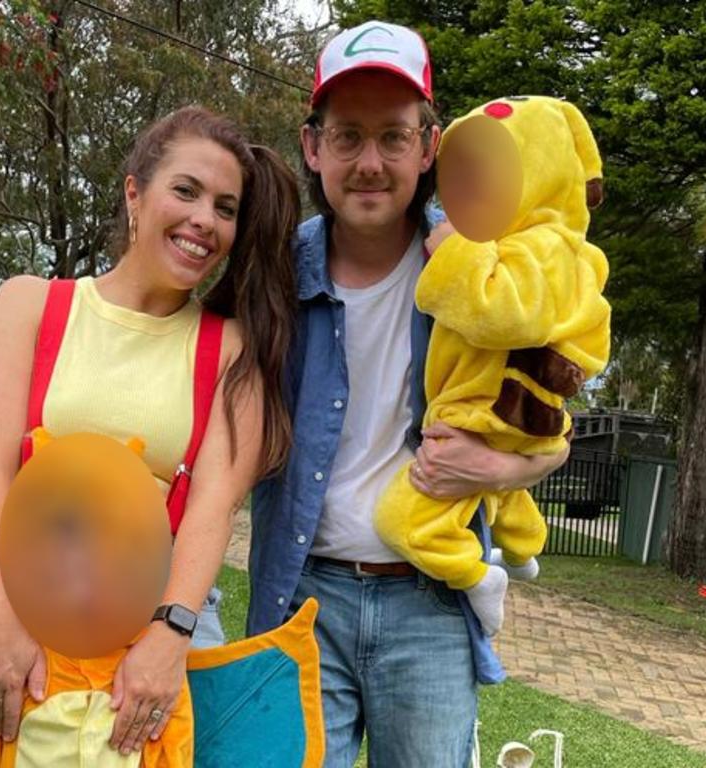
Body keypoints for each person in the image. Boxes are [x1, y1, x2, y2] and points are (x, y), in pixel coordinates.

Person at [247, 21, 569, 768]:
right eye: (347, 136)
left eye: (393, 137)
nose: (369, 163)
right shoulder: (271, 275)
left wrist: (504, 471)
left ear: (429, 148)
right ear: (311, 146)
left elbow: (548, 419)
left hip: (428, 602)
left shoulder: (485, 274)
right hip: (302, 597)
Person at [0, 106, 299, 758]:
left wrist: (169, 638)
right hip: (17, 608)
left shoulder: (230, 350)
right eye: (186, 190)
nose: (205, 220)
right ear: (134, 193)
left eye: (225, 208)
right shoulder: (30, 305)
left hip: (162, 621)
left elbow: (212, 509)